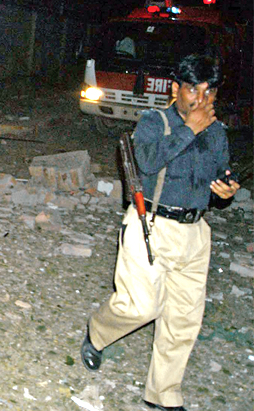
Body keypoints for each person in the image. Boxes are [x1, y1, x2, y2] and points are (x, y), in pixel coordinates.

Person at [81, 54, 240, 411]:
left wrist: (226, 188)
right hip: (149, 224)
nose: (201, 100)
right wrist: (189, 130)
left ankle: (162, 395)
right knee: (140, 306)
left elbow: (222, 170)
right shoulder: (155, 122)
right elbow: (147, 162)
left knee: (183, 319)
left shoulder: (216, 131)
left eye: (208, 92)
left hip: (195, 232)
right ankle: (97, 331)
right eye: (192, 90)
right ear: (175, 89)